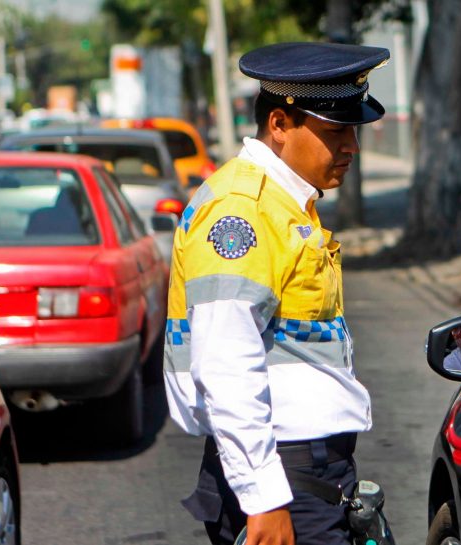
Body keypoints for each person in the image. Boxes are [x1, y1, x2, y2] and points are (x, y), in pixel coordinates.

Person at [163, 42, 390, 545]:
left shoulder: (286, 201)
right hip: (286, 474)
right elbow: (224, 361)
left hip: (305, 470)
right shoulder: (242, 211)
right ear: (280, 125)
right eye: (335, 131)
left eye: (353, 130)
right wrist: (265, 498)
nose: (351, 146)